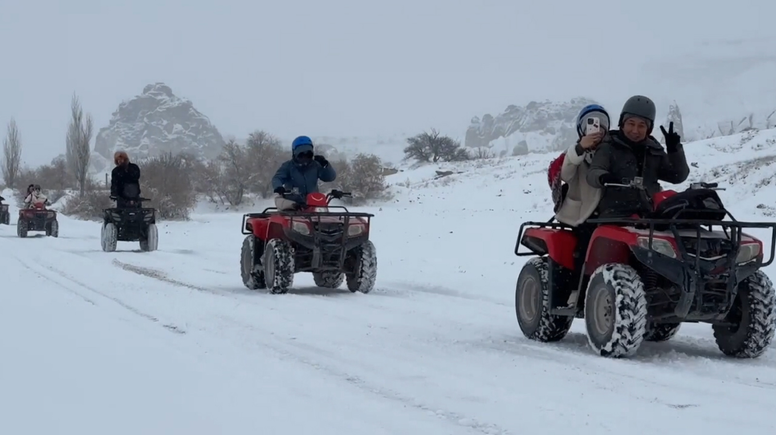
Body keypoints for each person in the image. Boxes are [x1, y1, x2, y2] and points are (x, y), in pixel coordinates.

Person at [586, 95, 689, 218]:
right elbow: (593, 172)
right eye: (631, 123)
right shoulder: (609, 146)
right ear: (622, 124)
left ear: (648, 129)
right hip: (615, 215)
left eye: (641, 125)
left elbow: (678, 176)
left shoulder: (654, 150)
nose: (635, 130)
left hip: (651, 217)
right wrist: (604, 177)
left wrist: (674, 150)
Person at [554, 104, 610, 275]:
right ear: (581, 128)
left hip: (608, 212)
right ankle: (576, 292)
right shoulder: (574, 154)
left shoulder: (610, 151)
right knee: (584, 248)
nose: (597, 128)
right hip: (579, 215)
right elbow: (565, 174)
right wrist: (580, 148)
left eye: (602, 125)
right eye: (591, 124)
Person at [271, 136, 336, 209]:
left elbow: (330, 177)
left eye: (308, 155)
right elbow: (277, 178)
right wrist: (278, 187)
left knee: (323, 219)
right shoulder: (288, 166)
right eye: (301, 155)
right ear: (295, 154)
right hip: (293, 206)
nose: (304, 158)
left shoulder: (315, 165)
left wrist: (325, 165)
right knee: (290, 219)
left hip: (313, 204)